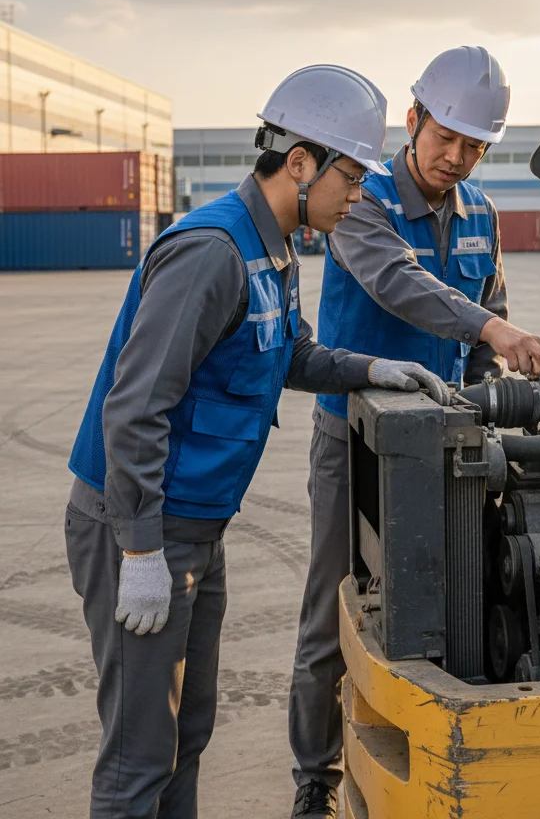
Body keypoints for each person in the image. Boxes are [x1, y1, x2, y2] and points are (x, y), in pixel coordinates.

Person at [65, 64, 451, 819]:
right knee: (140, 753)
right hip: (139, 528)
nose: (360, 194)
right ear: (300, 163)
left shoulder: (277, 247)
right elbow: (134, 408)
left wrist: (376, 367)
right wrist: (140, 551)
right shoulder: (211, 251)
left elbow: (292, 353)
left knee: (188, 729)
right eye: (351, 175)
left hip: (193, 529)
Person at [288, 46, 540, 818]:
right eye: (445, 136)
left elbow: (482, 324)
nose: (456, 157)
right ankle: (316, 777)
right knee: (330, 614)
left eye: (475, 145)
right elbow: (397, 283)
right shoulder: (358, 197)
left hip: (448, 450)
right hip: (357, 444)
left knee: (451, 606)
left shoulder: (481, 213)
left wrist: (494, 386)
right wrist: (495, 326)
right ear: (412, 121)